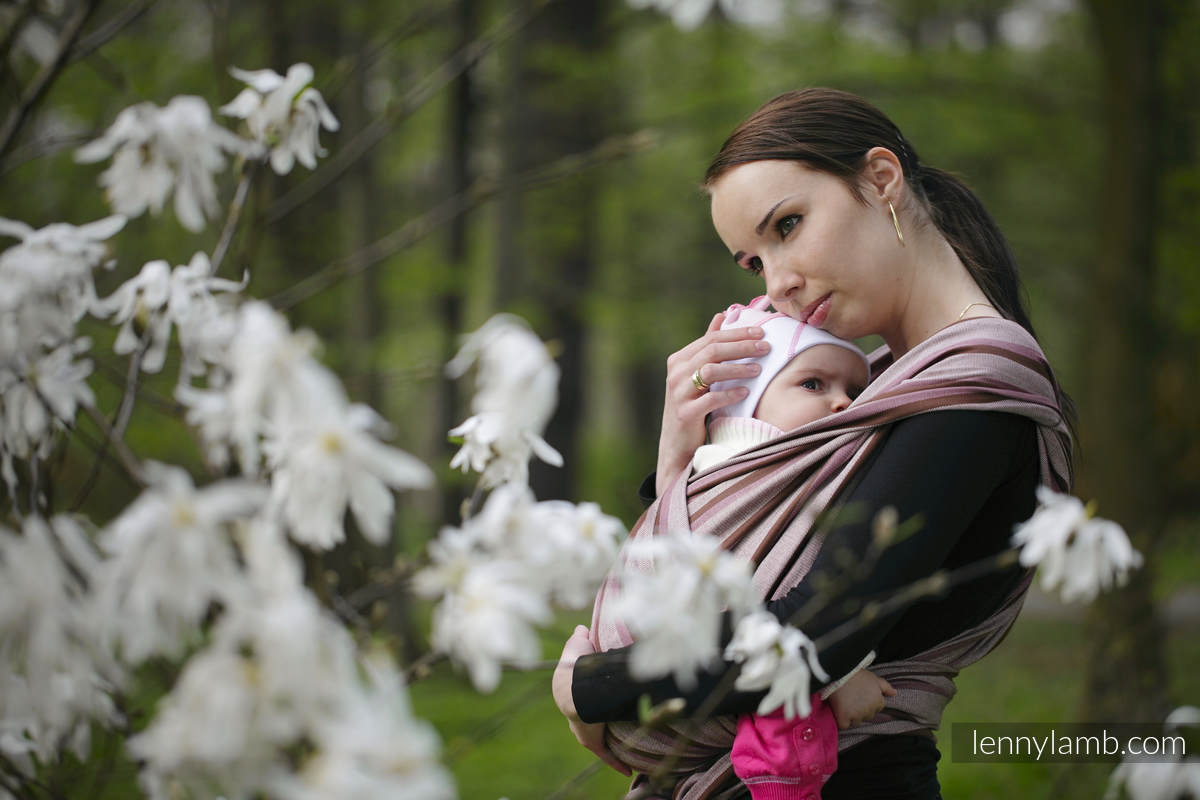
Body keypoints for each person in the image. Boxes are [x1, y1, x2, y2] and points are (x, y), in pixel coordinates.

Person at [552, 87, 1074, 800]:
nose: (781, 282)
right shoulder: (879, 393)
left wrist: (592, 686)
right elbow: (734, 560)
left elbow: (817, 633)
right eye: (753, 263)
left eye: (787, 226)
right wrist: (680, 453)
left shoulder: (973, 391)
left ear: (881, 179)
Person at [693, 295, 896, 799]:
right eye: (813, 384)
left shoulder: (807, 469)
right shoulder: (740, 473)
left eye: (855, 389)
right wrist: (838, 679)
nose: (843, 402)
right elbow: (760, 592)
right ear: (747, 398)